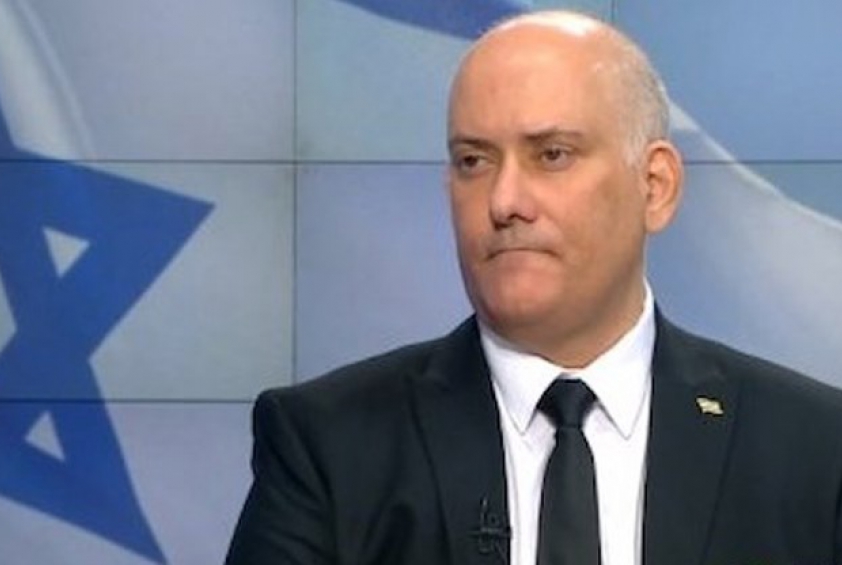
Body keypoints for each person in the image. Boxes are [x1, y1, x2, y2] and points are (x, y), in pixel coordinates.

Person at [225, 10, 842, 565]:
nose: (504, 201)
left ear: (655, 186)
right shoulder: (328, 447)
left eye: (551, 155)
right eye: (474, 161)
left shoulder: (814, 449)